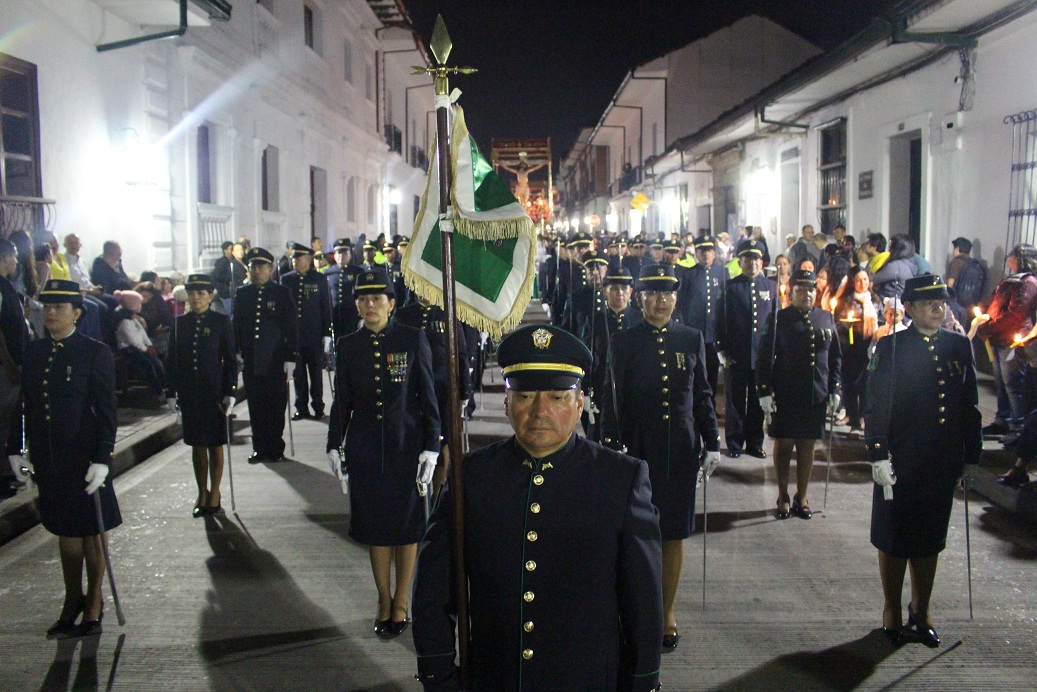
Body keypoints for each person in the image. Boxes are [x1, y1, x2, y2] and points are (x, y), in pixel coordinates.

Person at [413, 323, 663, 690]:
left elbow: (643, 602)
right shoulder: (471, 478)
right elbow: (433, 591)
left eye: (558, 397)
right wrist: (440, 678)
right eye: (526, 396)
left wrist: (641, 682)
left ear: (579, 404)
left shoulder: (620, 480)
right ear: (507, 402)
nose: (540, 411)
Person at [601, 263, 720, 651]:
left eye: (667, 294)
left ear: (675, 298)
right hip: (638, 450)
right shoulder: (625, 341)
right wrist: (609, 446)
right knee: (634, 534)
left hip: (680, 451)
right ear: (640, 300)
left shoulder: (691, 338)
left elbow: (701, 394)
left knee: (673, 533)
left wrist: (713, 442)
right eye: (653, 294)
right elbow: (612, 399)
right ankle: (633, 610)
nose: (661, 301)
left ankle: (666, 612)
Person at [864, 273, 981, 648]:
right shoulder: (892, 347)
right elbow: (875, 403)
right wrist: (877, 452)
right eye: (929, 302)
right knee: (894, 536)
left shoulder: (958, 346)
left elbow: (969, 404)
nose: (938, 308)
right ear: (910, 308)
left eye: (942, 302)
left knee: (930, 537)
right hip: (901, 457)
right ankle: (892, 609)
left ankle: (922, 609)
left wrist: (971, 454)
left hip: (940, 458)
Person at [327, 269, 440, 639]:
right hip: (365, 449)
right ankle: (383, 598)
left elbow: (427, 397)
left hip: (406, 446)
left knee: (406, 527)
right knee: (376, 527)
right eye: (363, 299)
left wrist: (432, 445)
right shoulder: (349, 345)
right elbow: (342, 402)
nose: (369, 305)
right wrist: (334, 443)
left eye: (377, 298)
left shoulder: (411, 338)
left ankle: (402, 600)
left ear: (392, 304)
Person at [15, 279, 120, 638]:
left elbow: (106, 411)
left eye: (58, 307)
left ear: (77, 313)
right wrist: (17, 447)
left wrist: (103, 457)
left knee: (92, 531)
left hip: (85, 457)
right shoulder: (35, 352)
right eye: (46, 306)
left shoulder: (94, 352)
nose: (50, 312)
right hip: (51, 456)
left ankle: (94, 601)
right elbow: (26, 404)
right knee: (64, 529)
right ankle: (72, 598)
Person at [756, 269, 841, 519]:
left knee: (807, 444)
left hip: (815, 393)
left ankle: (801, 496)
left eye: (811, 290)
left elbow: (835, 357)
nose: (807, 294)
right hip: (786, 392)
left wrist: (835, 389)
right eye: (801, 290)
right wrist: (764, 391)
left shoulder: (825, 317)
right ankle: (783, 494)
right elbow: (764, 357)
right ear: (791, 293)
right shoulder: (778, 319)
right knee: (784, 444)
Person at [167, 274, 237, 517]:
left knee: (215, 443)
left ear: (210, 296)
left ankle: (215, 492)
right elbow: (172, 360)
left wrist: (230, 391)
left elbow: (230, 359)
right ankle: (202, 492)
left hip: (213, 391)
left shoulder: (220, 321)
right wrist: (171, 391)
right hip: (190, 392)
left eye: (201, 293)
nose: (195, 298)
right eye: (191, 293)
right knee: (197, 444)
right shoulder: (180, 323)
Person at [234, 247, 297, 463]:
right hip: (252, 359)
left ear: (270, 269)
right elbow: (237, 324)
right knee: (256, 405)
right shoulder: (242, 294)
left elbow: (290, 326)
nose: (256, 271)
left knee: (275, 405)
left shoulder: (281, 293)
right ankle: (259, 448)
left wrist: (291, 356)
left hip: (275, 359)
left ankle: (275, 447)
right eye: (253, 266)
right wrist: (236, 351)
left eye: (261, 267)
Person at [718, 239, 777, 458]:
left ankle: (755, 443)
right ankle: (734, 443)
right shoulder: (730, 287)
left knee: (757, 401)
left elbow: (776, 321)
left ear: (761, 262)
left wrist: (774, 351)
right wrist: (721, 349)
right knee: (734, 401)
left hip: (760, 356)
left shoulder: (770, 287)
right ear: (740, 262)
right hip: (736, 353)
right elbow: (719, 320)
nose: (752, 263)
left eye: (756, 259)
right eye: (748, 259)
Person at [975, 243, 1037, 437]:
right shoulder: (1012, 280)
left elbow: (1016, 314)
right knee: (1001, 383)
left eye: (1011, 254)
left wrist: (989, 327)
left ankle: (1018, 426)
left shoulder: (1027, 282)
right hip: (998, 338)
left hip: (1012, 340)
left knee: (1013, 384)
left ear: (1020, 258)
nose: (1008, 258)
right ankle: (1003, 420)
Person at [280, 242, 332, 420]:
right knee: (298, 374)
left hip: (314, 335)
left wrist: (327, 333)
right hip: (294, 336)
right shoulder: (286, 279)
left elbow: (326, 307)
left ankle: (318, 406)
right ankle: (300, 407)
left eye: (299, 258)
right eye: (294, 258)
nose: (295, 261)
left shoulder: (319, 279)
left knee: (316, 373)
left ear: (308, 260)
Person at [677, 235, 726, 405]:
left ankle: (710, 404)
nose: (706, 254)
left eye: (709, 250)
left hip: (714, 332)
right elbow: (682, 303)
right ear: (696, 253)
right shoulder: (689, 274)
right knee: (694, 371)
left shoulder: (722, 273)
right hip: (695, 331)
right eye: (702, 251)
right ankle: (695, 405)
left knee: (712, 372)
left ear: (714, 252)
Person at [834, 266, 880, 432]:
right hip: (851, 348)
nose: (862, 283)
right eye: (858, 280)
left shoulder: (874, 300)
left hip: (869, 347)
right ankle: (852, 418)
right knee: (851, 385)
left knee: (866, 384)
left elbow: (881, 319)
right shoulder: (846, 300)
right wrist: (845, 325)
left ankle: (863, 417)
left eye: (865, 279)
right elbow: (837, 323)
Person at [1, 239, 29, 495]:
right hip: (5, 366)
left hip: (13, 363)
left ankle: (9, 467)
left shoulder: (7, 286)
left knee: (11, 417)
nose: (16, 261)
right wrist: (9, 363)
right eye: (14, 256)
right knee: (4, 417)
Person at [112, 290, 166, 396]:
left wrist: (149, 345)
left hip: (141, 348)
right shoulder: (124, 322)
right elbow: (133, 341)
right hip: (129, 349)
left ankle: (164, 386)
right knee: (148, 365)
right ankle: (157, 390)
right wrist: (146, 349)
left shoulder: (133, 318)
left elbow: (142, 334)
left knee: (158, 363)